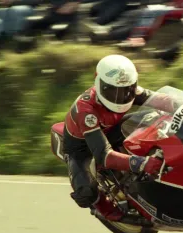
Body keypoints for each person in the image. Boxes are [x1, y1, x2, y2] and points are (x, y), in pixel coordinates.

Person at [63, 54, 175, 222]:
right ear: (98, 83)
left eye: (125, 90)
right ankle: (102, 208)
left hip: (112, 129)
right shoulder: (86, 110)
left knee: (155, 117)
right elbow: (104, 155)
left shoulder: (130, 91)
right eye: (112, 91)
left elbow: (162, 101)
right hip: (82, 146)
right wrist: (142, 163)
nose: (120, 96)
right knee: (85, 192)